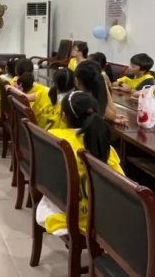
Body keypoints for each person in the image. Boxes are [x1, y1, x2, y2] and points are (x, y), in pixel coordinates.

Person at [35, 91, 123, 236]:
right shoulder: (104, 146)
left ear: (63, 116)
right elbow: (120, 184)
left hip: (66, 210)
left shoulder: (53, 137)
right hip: (100, 219)